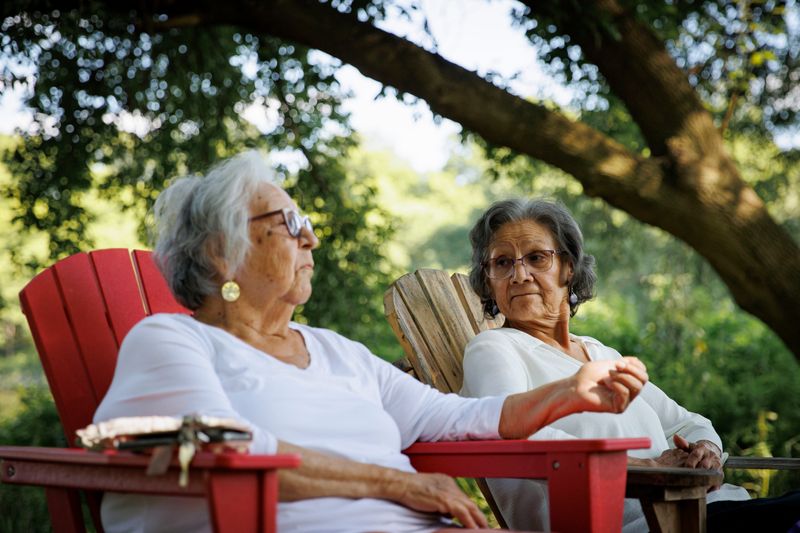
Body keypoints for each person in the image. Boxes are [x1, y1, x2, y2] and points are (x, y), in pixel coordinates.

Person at [93, 152, 649, 533]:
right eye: (287, 222)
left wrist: (571, 391)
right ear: (221, 250)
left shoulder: (336, 352)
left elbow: (456, 417)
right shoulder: (170, 341)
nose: (310, 236)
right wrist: (398, 485)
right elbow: (220, 448)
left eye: (305, 220)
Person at [460, 198, 800, 533]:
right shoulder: (493, 348)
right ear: (488, 280)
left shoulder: (601, 354)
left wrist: (705, 452)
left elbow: (687, 423)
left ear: (569, 268)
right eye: (501, 263)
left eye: (536, 258)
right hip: (635, 524)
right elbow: (513, 431)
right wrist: (649, 467)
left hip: (701, 511)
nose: (519, 275)